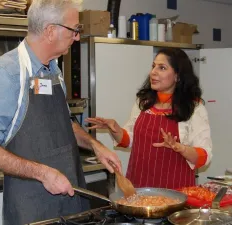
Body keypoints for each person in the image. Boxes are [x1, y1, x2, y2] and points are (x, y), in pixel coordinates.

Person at [0, 0, 121, 224]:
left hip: (72, 200)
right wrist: (43, 173)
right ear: (50, 31)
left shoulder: (54, 70)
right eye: (74, 30)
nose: (77, 37)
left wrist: (96, 146)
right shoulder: (6, 73)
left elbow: (65, 123)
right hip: (33, 208)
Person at [86, 48, 212, 189]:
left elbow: (204, 156)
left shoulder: (194, 108)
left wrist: (180, 148)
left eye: (162, 68)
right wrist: (114, 129)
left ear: (177, 76)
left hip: (176, 189)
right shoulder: (144, 102)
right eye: (153, 66)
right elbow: (130, 140)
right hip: (138, 185)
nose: (153, 72)